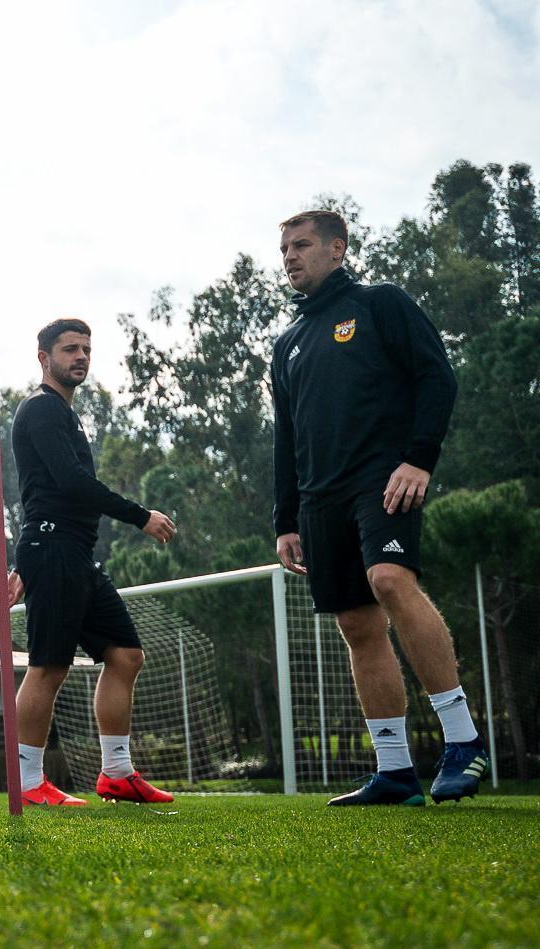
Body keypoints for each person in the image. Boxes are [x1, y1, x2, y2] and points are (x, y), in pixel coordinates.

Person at [270, 209, 487, 806]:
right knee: (357, 625)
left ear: (337, 249)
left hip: (383, 478)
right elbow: (286, 437)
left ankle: (464, 741)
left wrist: (419, 458)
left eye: (301, 245)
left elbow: (436, 376)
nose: (289, 257)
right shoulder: (287, 343)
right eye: (284, 249)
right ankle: (394, 772)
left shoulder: (379, 303)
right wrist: (285, 519)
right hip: (319, 498)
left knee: (389, 580)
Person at [6, 318, 178, 806]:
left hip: (74, 552)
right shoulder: (41, 408)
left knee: (125, 655)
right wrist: (140, 516)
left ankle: (117, 774)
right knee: (49, 666)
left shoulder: (65, 413)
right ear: (44, 359)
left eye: (85, 349)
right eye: (69, 349)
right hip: (53, 548)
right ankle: (28, 782)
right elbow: (70, 482)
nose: (81, 356)